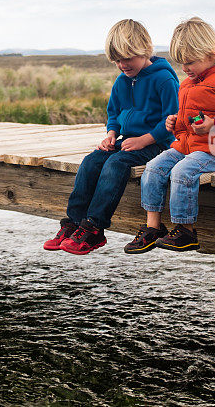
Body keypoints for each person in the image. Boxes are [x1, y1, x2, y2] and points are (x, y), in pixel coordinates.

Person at [43, 19, 179, 255]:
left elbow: (172, 119)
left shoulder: (164, 79)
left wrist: (145, 139)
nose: (122, 65)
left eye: (127, 58)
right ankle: (74, 223)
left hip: (157, 145)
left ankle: (94, 227)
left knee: (115, 163)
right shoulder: (121, 81)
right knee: (92, 160)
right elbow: (114, 113)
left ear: (144, 50)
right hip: (126, 141)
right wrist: (111, 134)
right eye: (117, 60)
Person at [123, 16, 215, 254]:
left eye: (189, 63)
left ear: (211, 53)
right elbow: (190, 120)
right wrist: (174, 123)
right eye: (181, 64)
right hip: (189, 145)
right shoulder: (188, 83)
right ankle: (153, 227)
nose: (184, 69)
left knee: (182, 172)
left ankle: (186, 230)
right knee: (153, 167)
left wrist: (214, 124)